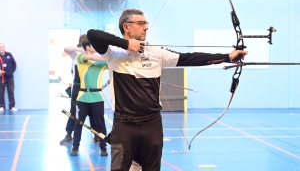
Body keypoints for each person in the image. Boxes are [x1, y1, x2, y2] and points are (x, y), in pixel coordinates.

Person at [87, 9, 248, 171]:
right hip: (124, 125)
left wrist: (227, 57)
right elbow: (92, 34)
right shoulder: (113, 54)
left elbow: (190, 58)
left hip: (152, 124)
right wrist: (126, 44)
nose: (146, 27)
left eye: (146, 23)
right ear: (126, 27)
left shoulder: (156, 53)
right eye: (141, 23)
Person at [70, 37, 108, 156]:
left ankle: (103, 148)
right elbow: (90, 57)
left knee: (100, 124)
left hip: (97, 97)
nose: (96, 47)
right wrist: (105, 57)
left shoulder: (101, 63)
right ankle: (75, 147)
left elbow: (113, 63)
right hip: (82, 97)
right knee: (78, 123)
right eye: (94, 45)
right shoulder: (80, 57)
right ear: (87, 47)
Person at [60, 35, 100, 144]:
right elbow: (66, 48)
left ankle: (96, 134)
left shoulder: (93, 54)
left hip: (90, 88)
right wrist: (81, 49)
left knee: (93, 111)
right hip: (78, 87)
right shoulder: (76, 54)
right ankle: (69, 134)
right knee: (74, 111)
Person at [0, 43, 17, 112]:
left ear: (4, 47)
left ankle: (12, 106)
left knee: (11, 91)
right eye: (0, 47)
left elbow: (14, 64)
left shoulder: (9, 54)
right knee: (1, 92)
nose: (1, 48)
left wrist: (11, 71)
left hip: (10, 77)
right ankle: (1, 106)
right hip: (1, 77)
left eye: (2, 47)